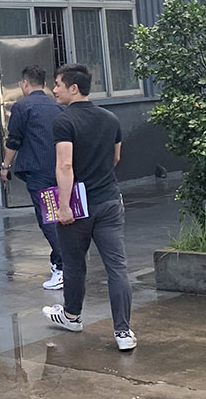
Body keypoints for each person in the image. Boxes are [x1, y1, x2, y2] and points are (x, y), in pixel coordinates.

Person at [41, 63, 137, 351]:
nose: (54, 90)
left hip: (78, 207)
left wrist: (64, 206)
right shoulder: (110, 118)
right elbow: (116, 158)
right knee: (117, 267)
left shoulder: (63, 121)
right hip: (109, 201)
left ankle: (72, 316)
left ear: (73, 88)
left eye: (58, 84)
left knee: (74, 264)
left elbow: (65, 165)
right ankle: (123, 332)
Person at [0, 65, 65, 290]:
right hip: (61, 171)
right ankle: (60, 261)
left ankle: (63, 266)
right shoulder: (58, 107)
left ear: (24, 84)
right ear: (45, 85)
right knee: (61, 216)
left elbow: (14, 140)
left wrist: (5, 166)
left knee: (48, 219)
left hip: (38, 172)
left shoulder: (22, 106)